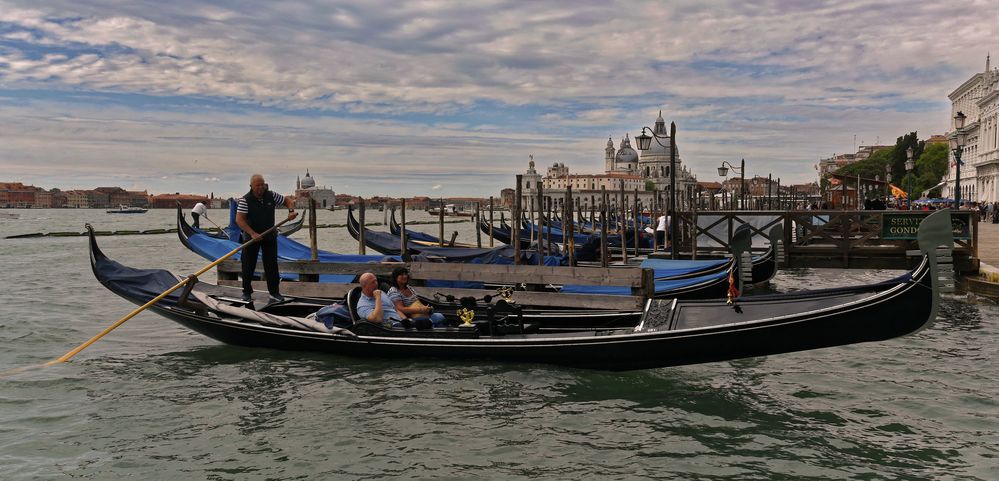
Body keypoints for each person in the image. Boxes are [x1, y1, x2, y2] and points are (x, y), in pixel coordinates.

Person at [235, 174, 297, 303]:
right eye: (257, 185)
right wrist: (252, 233)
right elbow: (239, 220)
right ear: (251, 186)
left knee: (271, 265)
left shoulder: (271, 195)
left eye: (262, 184)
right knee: (248, 265)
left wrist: (291, 210)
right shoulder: (245, 200)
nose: (260, 187)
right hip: (251, 237)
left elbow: (288, 201)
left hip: (269, 235)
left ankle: (274, 293)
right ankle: (246, 292)